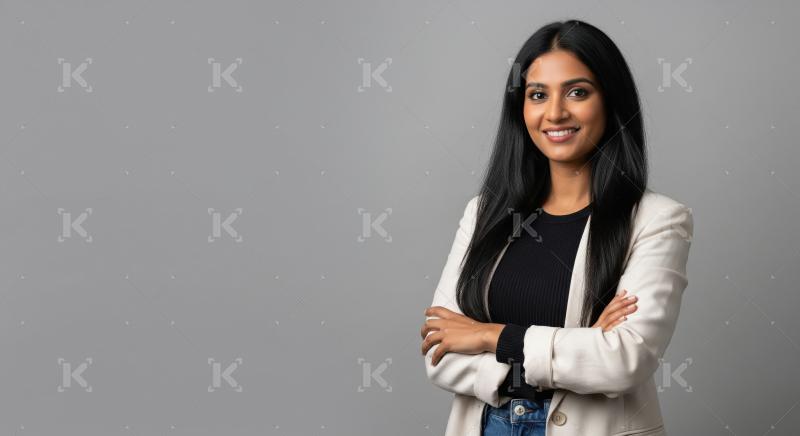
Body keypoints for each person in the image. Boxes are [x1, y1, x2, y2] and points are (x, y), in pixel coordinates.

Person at [420, 19, 693, 436]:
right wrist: (580, 347)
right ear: (521, 107)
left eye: (577, 92)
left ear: (610, 101)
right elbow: (440, 349)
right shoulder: (484, 214)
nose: (555, 112)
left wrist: (487, 336)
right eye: (537, 95)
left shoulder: (657, 220)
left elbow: (623, 361)